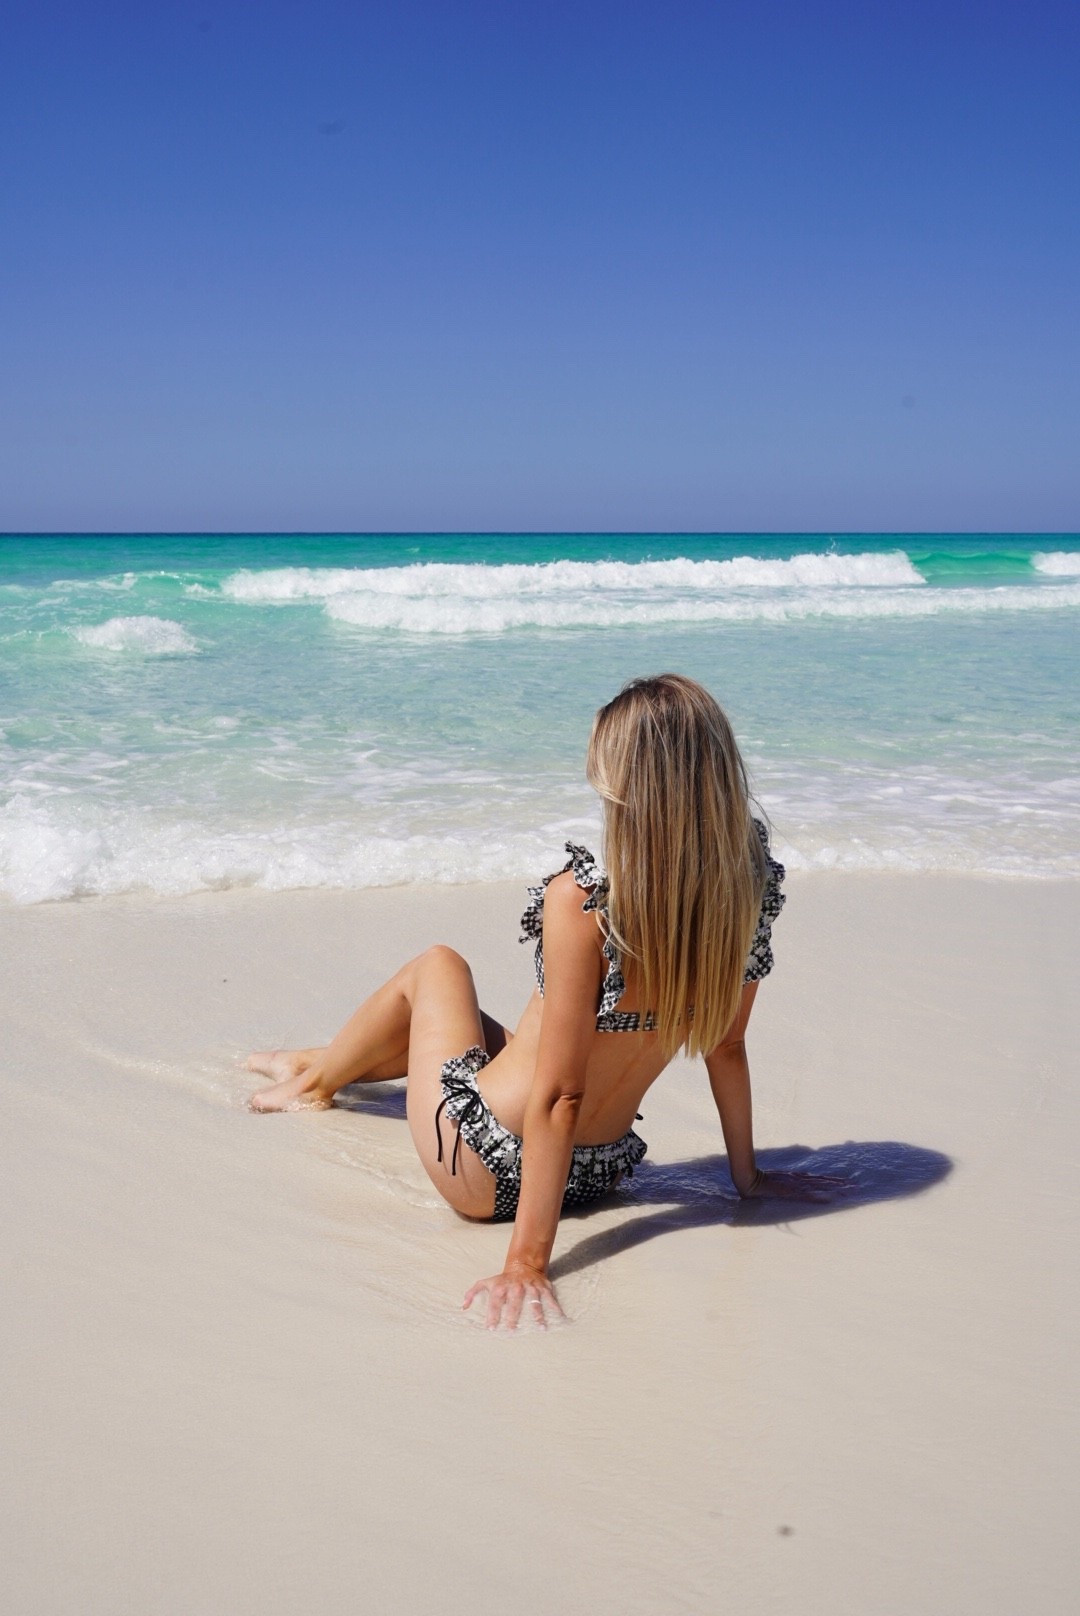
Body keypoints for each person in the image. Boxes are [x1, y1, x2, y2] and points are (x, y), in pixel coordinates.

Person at [246, 673, 840, 1328]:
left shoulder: (587, 902)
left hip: (480, 1164)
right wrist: (747, 1179)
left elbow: (560, 1096)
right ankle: (322, 1058)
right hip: (597, 1177)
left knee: (438, 969)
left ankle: (314, 1083)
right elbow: (726, 1046)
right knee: (490, 1033)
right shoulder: (744, 892)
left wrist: (526, 1261)